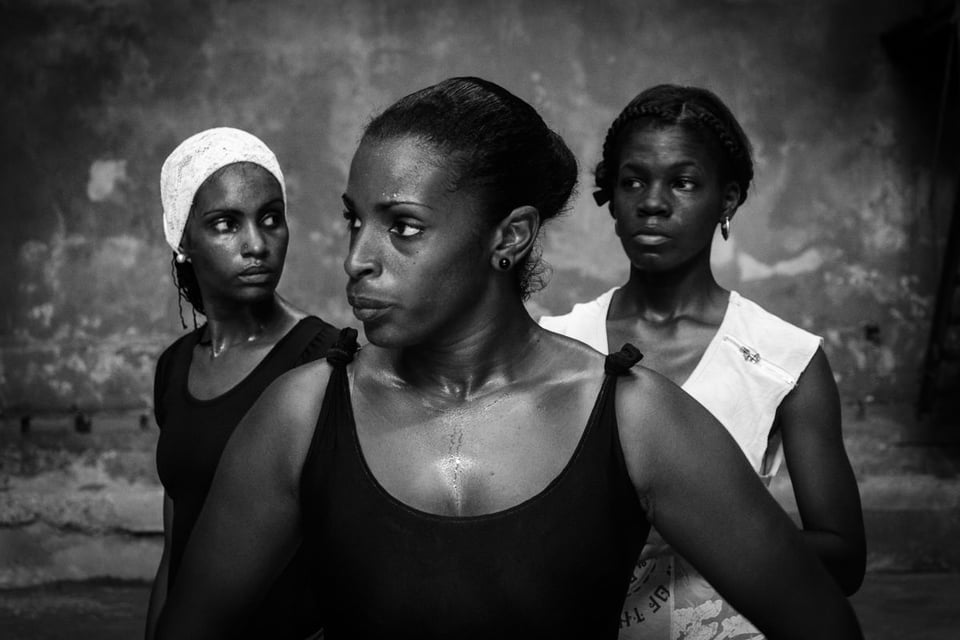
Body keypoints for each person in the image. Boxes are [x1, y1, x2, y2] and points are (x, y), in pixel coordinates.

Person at [155, 78, 862, 640]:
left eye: (401, 226)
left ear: (511, 236)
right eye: (353, 220)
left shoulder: (635, 419)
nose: (356, 260)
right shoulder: (301, 416)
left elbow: (822, 620)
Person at [540, 84, 866, 639]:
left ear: (729, 199)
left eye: (683, 182)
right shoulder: (555, 344)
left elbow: (845, 560)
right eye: (633, 180)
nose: (653, 201)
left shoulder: (786, 359)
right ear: (611, 198)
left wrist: (693, 521)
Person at [145, 127, 339, 640]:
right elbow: (176, 544)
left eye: (271, 218)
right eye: (226, 223)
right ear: (183, 239)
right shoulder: (175, 366)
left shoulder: (326, 360)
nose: (257, 244)